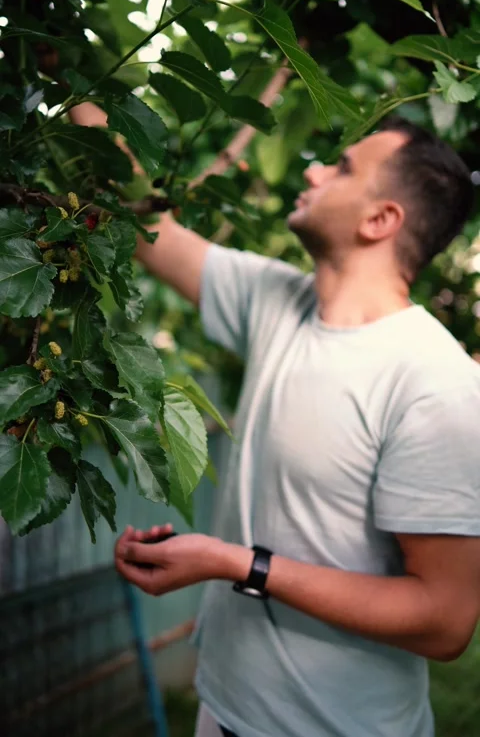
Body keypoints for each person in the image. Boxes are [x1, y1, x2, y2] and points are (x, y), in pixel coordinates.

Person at [69, 100, 480, 737]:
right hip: (224, 708)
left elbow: (445, 619)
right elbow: (157, 235)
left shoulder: (435, 384)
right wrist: (71, 82)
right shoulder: (278, 300)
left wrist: (239, 564)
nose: (313, 171)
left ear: (381, 218)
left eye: (341, 168)